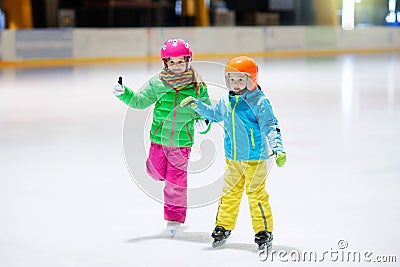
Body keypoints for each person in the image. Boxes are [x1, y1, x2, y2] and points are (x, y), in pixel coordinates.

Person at [180, 56, 286, 251]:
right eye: (231, 79)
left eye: (240, 79)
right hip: (233, 158)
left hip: (255, 159)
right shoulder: (225, 100)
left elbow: (270, 125)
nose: (235, 84)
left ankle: (263, 231)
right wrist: (197, 105)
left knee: (256, 195)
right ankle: (223, 226)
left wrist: (278, 148)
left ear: (251, 80)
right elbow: (214, 115)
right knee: (229, 193)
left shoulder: (260, 102)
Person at [113, 38, 211, 236]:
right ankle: (159, 174)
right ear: (165, 63)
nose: (176, 66)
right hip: (159, 140)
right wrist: (124, 93)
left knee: (176, 182)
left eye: (180, 61)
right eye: (171, 62)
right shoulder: (158, 84)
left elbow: (207, 111)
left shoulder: (197, 87)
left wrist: (205, 124)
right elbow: (140, 102)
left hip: (182, 143)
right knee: (155, 173)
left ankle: (174, 218)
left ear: (188, 61)